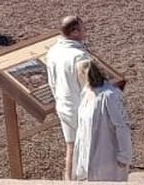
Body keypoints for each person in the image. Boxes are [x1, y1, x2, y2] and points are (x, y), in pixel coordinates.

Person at [44, 16, 93, 180]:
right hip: (82, 108)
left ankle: (69, 180)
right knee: (91, 148)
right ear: (74, 32)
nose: (85, 31)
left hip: (64, 105)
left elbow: (52, 81)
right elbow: (90, 87)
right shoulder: (79, 56)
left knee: (71, 145)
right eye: (82, 28)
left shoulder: (52, 52)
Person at [71, 57, 133, 182]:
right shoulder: (86, 93)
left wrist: (124, 155)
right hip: (88, 153)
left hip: (107, 154)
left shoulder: (109, 96)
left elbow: (121, 126)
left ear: (84, 74)